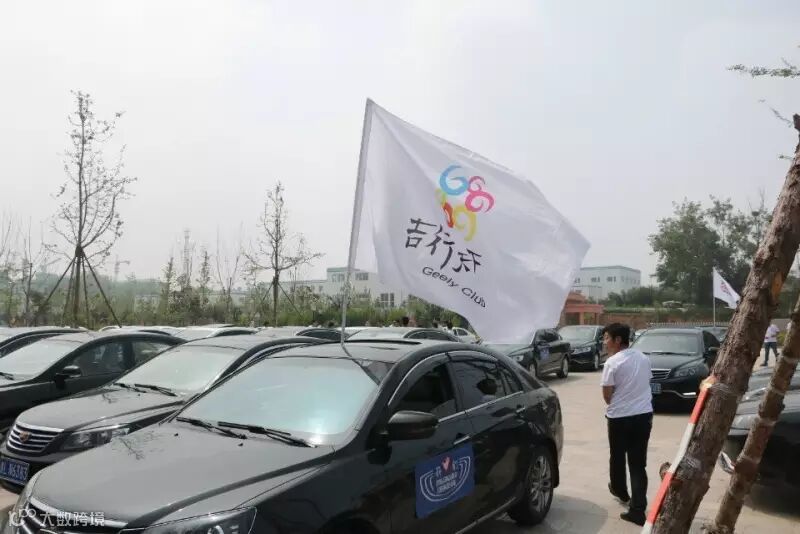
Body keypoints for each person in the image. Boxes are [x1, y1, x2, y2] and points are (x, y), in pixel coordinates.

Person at [600, 323, 653, 527]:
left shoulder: (612, 363)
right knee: (638, 463)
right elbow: (645, 383)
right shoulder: (643, 358)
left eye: (606, 338)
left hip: (619, 418)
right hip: (643, 416)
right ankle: (638, 509)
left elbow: (607, 396)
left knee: (617, 456)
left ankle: (620, 491)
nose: (604, 342)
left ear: (617, 340)